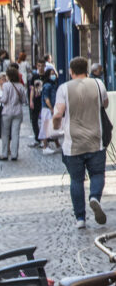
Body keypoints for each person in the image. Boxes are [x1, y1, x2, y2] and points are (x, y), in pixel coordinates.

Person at [52, 57, 109, 229]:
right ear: (86, 69)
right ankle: (94, 197)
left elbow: (58, 114)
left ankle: (80, 218)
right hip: (95, 140)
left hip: (73, 143)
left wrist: (56, 126)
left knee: (76, 180)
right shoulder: (98, 84)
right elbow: (105, 104)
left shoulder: (64, 88)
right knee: (97, 174)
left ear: (71, 71)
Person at [0, 67, 27, 161]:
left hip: (7, 112)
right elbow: (24, 100)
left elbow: (4, 99)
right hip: (18, 112)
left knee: (5, 133)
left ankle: (5, 153)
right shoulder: (20, 86)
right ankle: (14, 154)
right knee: (15, 134)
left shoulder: (6, 86)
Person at [38, 68, 61, 155]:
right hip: (47, 109)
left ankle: (57, 144)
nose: (53, 76)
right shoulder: (47, 85)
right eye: (51, 74)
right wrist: (51, 108)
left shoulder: (53, 85)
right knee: (46, 127)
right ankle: (45, 146)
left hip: (50, 108)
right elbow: (46, 98)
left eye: (54, 74)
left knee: (53, 127)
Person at [28, 59, 45, 147]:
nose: (41, 68)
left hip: (44, 101)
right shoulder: (34, 76)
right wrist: (31, 100)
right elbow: (32, 89)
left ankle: (44, 140)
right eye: (39, 66)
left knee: (44, 120)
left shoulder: (47, 76)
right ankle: (37, 138)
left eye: (42, 66)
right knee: (34, 120)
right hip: (36, 100)